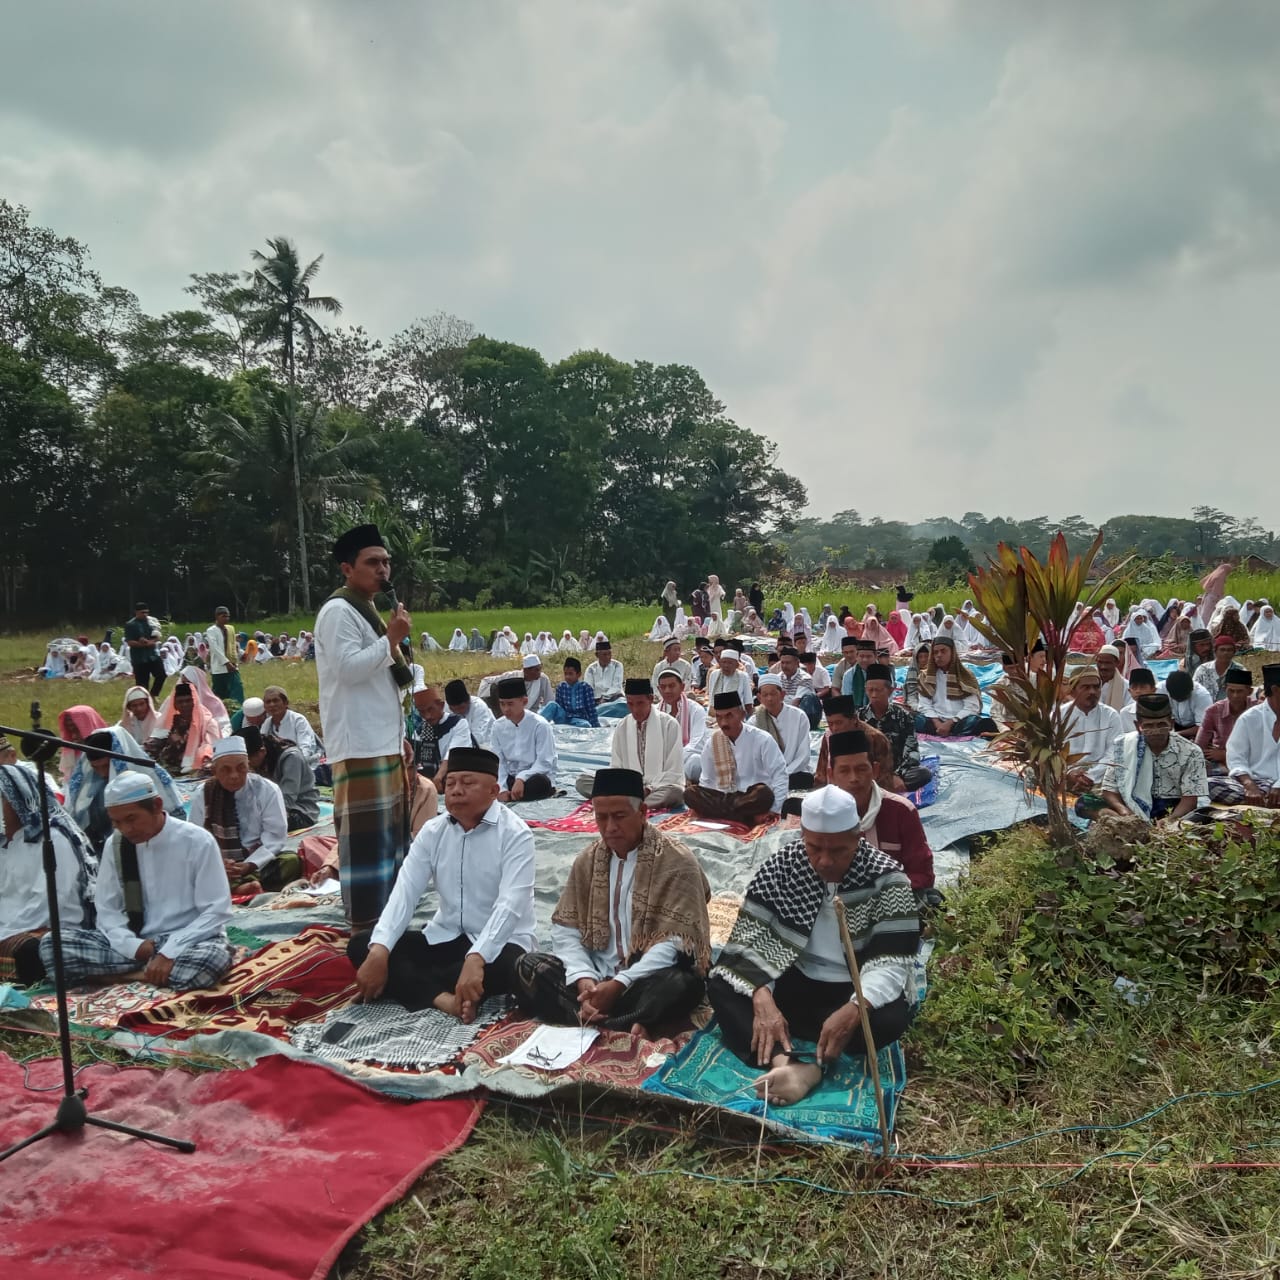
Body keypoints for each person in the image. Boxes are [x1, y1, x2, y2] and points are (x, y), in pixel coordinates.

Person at [706, 786, 918, 1105]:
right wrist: (761, 994)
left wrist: (854, 1009)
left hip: (852, 988)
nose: (824, 860)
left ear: (858, 837)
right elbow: (747, 941)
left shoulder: (887, 878)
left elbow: (891, 962)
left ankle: (813, 1068)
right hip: (794, 984)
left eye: (838, 850)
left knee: (889, 1018)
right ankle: (786, 1063)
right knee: (722, 984)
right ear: (803, 834)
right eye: (814, 847)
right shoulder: (783, 866)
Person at [515, 769, 710, 1034]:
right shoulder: (588, 861)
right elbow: (566, 929)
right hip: (595, 977)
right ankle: (617, 1018)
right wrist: (585, 978)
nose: (609, 827)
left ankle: (588, 1016)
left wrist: (620, 984)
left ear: (642, 812)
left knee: (681, 984)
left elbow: (677, 941)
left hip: (644, 978)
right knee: (527, 965)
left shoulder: (676, 862)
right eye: (601, 818)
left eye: (619, 817)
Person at [348, 747, 536, 1020]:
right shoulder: (432, 832)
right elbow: (404, 893)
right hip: (444, 936)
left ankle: (418, 987)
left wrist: (477, 958)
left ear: (494, 791)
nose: (456, 790)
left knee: (514, 969)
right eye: (450, 783)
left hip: (500, 945)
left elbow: (510, 905)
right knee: (362, 946)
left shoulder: (516, 834)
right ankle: (443, 999)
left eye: (467, 783)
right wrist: (380, 951)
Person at [44, 771, 234, 990]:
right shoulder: (115, 845)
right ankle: (147, 973)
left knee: (209, 962)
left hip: (191, 941)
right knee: (53, 946)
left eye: (131, 819)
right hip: (138, 944)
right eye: (116, 822)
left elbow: (217, 910)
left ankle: (122, 976)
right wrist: (135, 946)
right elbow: (107, 910)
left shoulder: (197, 841)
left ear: (156, 805)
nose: (125, 829)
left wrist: (169, 951)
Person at [315, 523, 414, 928]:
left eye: (386, 562)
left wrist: (401, 737)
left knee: (390, 838)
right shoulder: (338, 611)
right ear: (346, 568)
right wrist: (391, 638)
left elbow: (385, 681)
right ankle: (365, 926)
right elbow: (349, 670)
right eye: (373, 562)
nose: (383, 570)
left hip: (383, 741)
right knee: (366, 843)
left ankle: (389, 919)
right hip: (358, 745)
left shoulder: (368, 608)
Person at [0, 764, 97, 985]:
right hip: (13, 923)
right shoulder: (7, 843)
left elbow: (51, 901)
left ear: (19, 800)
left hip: (55, 924)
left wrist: (6, 929)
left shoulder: (54, 839)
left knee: (28, 950)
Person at [825, 730, 935, 900]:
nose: (854, 778)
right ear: (831, 776)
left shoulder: (902, 811)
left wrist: (882, 893)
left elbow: (922, 873)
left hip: (893, 901)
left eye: (861, 769)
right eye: (844, 771)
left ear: (875, 770)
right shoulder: (822, 815)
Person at [186, 736, 296, 892]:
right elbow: (196, 839)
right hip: (218, 864)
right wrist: (218, 864)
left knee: (291, 861)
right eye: (226, 769)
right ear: (214, 771)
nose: (234, 775)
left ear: (248, 766)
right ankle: (238, 886)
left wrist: (249, 865)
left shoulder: (267, 790)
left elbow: (275, 837)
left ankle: (232, 887)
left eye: (240, 768)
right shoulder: (202, 794)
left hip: (256, 863)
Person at [66, 726, 184, 854]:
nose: (102, 774)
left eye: (106, 766)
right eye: (96, 768)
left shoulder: (144, 777)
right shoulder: (92, 787)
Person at [1100, 694, 1209, 823]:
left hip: (1174, 809)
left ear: (1171, 724)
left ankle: (1126, 825)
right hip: (1132, 805)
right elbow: (1108, 790)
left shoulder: (1191, 752)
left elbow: (1190, 800)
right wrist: (1124, 812)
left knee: (1203, 814)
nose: (1156, 731)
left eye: (1161, 725)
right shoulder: (1123, 746)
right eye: (1149, 726)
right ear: (1137, 726)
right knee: (1085, 802)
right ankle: (1128, 824)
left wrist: (1170, 820)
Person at [684, 691, 787, 824]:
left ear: (742, 715)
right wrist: (700, 802)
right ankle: (745, 818)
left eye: (729, 716)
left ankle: (727, 815)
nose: (723, 722)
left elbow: (780, 776)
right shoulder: (713, 742)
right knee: (690, 793)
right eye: (719, 717)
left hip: (751, 798)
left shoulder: (762, 739)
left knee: (764, 794)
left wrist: (773, 810)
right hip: (725, 798)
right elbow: (707, 781)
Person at [578, 678, 684, 807]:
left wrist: (648, 788)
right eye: (630, 704)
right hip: (628, 788)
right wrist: (628, 786)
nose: (635, 709)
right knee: (583, 781)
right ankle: (633, 804)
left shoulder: (669, 724)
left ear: (650, 699)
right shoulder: (622, 725)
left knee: (674, 793)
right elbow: (617, 766)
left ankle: (631, 804)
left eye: (640, 703)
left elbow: (673, 770)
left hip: (657, 788)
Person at [856, 665, 932, 792]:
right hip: (867, 771)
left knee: (923, 773)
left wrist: (896, 775)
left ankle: (881, 786)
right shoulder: (859, 717)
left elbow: (912, 750)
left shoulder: (903, 716)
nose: (873, 695)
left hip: (897, 769)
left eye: (878, 690)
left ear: (890, 691)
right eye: (870, 690)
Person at [1058, 667, 1122, 808]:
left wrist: (1090, 776)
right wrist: (1069, 774)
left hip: (1100, 777)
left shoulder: (1111, 715)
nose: (1092, 692)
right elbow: (1053, 752)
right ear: (1073, 691)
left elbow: (1114, 752)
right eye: (1085, 687)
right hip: (1066, 775)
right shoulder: (1058, 716)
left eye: (1095, 687)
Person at [1219, 664, 1280, 807]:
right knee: (1210, 785)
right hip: (1257, 782)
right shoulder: (1249, 719)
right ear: (1275, 690)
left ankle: (1265, 802)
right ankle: (1264, 801)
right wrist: (1249, 785)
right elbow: (1236, 758)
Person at [492, 677, 558, 802]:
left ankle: (516, 794)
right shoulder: (497, 726)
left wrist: (522, 778)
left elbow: (545, 762)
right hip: (510, 777)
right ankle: (511, 794)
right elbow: (498, 761)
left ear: (524, 701)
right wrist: (502, 788)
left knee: (540, 783)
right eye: (502, 704)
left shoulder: (540, 725)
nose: (506, 709)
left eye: (510, 704)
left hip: (533, 776)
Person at [244, 725, 321, 830]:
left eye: (247, 761)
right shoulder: (259, 762)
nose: (246, 765)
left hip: (300, 811)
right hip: (270, 809)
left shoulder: (291, 757)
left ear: (261, 752)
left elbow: (287, 799)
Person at [1197, 668, 1254, 802]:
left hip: (1252, 764)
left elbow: (1265, 749)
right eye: (1231, 690)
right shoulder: (1213, 711)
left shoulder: (1258, 711)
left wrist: (1226, 754)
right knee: (1202, 780)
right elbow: (1199, 747)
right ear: (1225, 689)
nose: (1235, 695)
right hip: (1221, 766)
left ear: (1249, 691)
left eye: (1239, 691)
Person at [914, 637, 992, 736]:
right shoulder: (925, 676)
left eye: (943, 651)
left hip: (959, 721)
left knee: (977, 722)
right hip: (934, 721)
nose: (939, 655)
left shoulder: (965, 675)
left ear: (952, 653)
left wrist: (950, 723)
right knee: (914, 720)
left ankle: (951, 731)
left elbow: (972, 707)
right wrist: (937, 723)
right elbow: (924, 705)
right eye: (935, 652)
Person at [146, 675, 223, 774]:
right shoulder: (172, 722)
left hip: (196, 769)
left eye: (188, 701)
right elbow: (156, 741)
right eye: (180, 702)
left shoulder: (208, 722)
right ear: (175, 705)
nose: (184, 705)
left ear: (195, 702)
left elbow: (211, 748)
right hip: (167, 768)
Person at [753, 673, 814, 791]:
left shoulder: (798, 716)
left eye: (773, 694)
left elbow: (803, 755)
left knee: (804, 779)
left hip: (793, 773)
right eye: (765, 695)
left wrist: (783, 774)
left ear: (782, 694)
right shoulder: (754, 722)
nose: (769, 699)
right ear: (759, 698)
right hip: (767, 776)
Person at [408, 682, 473, 781]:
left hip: (456, 778)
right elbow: (415, 762)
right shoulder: (419, 732)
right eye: (422, 712)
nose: (427, 716)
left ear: (441, 705)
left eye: (430, 710)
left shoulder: (458, 723)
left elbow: (454, 754)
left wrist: (438, 777)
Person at [657, 667, 708, 782]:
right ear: (658, 689)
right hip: (660, 762)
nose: (667, 691)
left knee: (696, 762)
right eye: (663, 687)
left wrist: (672, 761)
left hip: (684, 759)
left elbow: (697, 743)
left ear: (682, 687)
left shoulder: (696, 710)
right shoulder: (655, 712)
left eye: (671, 686)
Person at [258, 685, 321, 766]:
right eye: (268, 702)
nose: (272, 705)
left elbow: (306, 749)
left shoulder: (298, 720)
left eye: (275, 700)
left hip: (306, 766)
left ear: (286, 703)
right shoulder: (267, 723)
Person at [123, 602, 167, 698]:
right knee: (142, 684)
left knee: (161, 675)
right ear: (136, 612)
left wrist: (151, 642)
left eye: (147, 612)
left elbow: (157, 635)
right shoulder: (130, 625)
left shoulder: (151, 622)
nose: (145, 615)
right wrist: (142, 644)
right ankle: (144, 700)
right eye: (143, 612)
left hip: (152, 655)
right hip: (139, 658)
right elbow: (130, 642)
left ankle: (153, 695)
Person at [542, 656, 599, 727]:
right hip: (564, 718)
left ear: (578, 674)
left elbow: (591, 711)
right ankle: (537, 726)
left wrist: (596, 727)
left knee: (585, 725)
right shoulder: (561, 687)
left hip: (579, 720)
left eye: (570, 674)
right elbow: (558, 707)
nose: (567, 677)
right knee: (552, 705)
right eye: (566, 674)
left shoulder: (586, 688)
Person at [775, 646, 822, 728]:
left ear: (797, 663)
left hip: (802, 714)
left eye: (788, 663)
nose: (784, 666)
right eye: (782, 663)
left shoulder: (805, 678)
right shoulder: (778, 678)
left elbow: (796, 702)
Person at [205, 606, 244, 705]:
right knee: (220, 693)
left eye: (228, 616)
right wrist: (226, 662)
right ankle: (220, 712)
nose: (226, 618)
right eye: (224, 616)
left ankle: (238, 710)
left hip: (233, 665)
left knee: (237, 687)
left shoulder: (230, 629)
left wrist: (234, 662)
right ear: (217, 617)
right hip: (219, 667)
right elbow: (215, 648)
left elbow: (232, 646)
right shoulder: (211, 630)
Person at [705, 640, 755, 717]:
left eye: (730, 663)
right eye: (724, 662)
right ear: (720, 663)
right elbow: (711, 699)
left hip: (736, 717)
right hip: (716, 715)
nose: (726, 665)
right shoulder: (714, 674)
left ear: (736, 665)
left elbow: (748, 703)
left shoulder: (743, 676)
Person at [1193, 635, 1247, 703]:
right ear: (1215, 652)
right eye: (1222, 650)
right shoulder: (1203, 669)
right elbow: (1194, 691)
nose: (1225, 653)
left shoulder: (1240, 670)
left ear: (1234, 653)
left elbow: (1245, 694)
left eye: (1229, 650)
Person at [1162, 669, 1212, 739]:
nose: (1179, 700)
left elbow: (1202, 727)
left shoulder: (1202, 696)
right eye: (1176, 698)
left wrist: (1175, 735)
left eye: (1183, 698)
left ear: (1191, 690)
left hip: (1195, 729)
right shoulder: (1161, 688)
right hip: (1174, 725)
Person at [446, 678, 495, 747]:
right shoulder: (446, 708)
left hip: (486, 745)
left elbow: (477, 738)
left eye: (461, 708)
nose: (458, 712)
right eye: (454, 709)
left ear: (468, 700)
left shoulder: (479, 707)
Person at [583, 638, 624, 706]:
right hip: (596, 699)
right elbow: (588, 688)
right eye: (604, 654)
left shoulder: (617, 665)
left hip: (614, 698)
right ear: (597, 655)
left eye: (609, 654)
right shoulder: (591, 668)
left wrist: (605, 698)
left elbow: (616, 686)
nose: (608, 657)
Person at [840, 639, 877, 708]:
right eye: (862, 656)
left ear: (875, 657)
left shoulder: (884, 673)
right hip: (856, 713)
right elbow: (847, 699)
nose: (865, 660)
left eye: (868, 656)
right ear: (856, 656)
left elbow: (888, 698)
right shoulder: (849, 675)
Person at [1096, 646, 1127, 711]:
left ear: (1117, 663)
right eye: (1100, 662)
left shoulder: (1126, 686)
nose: (1103, 667)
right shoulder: (1088, 683)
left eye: (1108, 663)